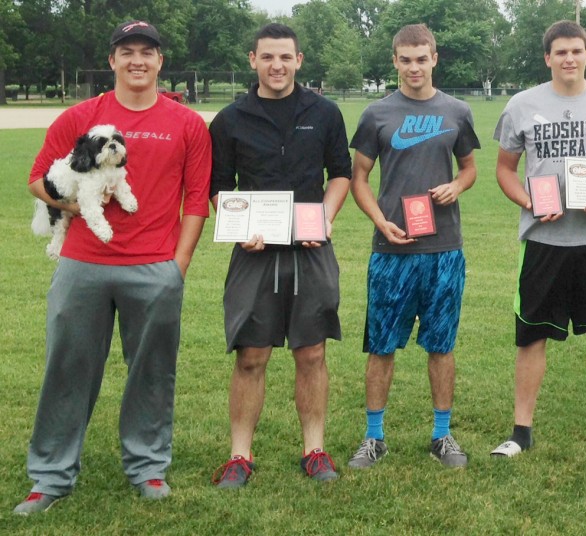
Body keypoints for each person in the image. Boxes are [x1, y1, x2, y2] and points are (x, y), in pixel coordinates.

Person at [15, 20, 212, 514]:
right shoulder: (83, 116)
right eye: (127, 52)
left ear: (160, 60)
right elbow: (38, 180)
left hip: (154, 268)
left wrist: (178, 264)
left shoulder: (186, 122)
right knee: (68, 369)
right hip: (82, 264)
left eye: (147, 51)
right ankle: (50, 476)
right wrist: (78, 208)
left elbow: (196, 199)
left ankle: (147, 468)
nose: (137, 60)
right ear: (112, 61)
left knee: (152, 372)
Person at [490, 20, 586, 462]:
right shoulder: (522, 104)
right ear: (547, 58)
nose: (569, 59)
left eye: (576, 51)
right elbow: (504, 169)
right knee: (531, 336)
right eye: (560, 52)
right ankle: (521, 431)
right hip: (543, 241)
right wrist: (530, 202)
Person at [207, 23, 352, 488]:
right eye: (267, 57)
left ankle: (314, 450)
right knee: (251, 354)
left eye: (285, 57)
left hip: (310, 250)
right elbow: (218, 188)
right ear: (252, 60)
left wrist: (326, 219)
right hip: (254, 254)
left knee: (311, 352)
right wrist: (237, 227)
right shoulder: (230, 119)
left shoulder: (324, 112)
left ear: (299, 61)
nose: (277, 66)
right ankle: (239, 456)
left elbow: (341, 174)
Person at [346, 24, 479, 469]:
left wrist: (457, 187)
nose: (414, 67)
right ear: (395, 61)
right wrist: (380, 220)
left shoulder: (457, 110)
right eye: (406, 59)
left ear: (434, 58)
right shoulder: (377, 114)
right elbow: (359, 178)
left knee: (441, 344)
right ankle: (374, 437)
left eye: (422, 59)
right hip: (392, 249)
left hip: (444, 248)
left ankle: (442, 436)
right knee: (381, 345)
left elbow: (469, 169)